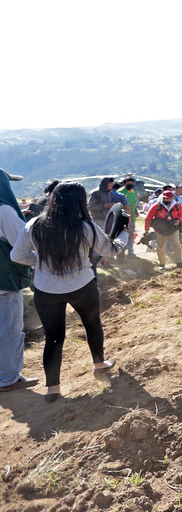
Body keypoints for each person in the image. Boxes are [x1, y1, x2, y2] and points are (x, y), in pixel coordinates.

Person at [11, 182, 125, 402]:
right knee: (92, 324)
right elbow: (111, 250)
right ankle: (99, 364)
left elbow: (17, 256)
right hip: (82, 286)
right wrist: (124, 235)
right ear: (80, 202)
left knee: (53, 337)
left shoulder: (35, 224)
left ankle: (53, 389)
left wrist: (40, 261)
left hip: (46, 290)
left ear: (54, 199)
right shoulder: (86, 226)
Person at [0, 169, 38, 393]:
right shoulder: (4, 210)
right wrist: (38, 262)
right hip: (4, 282)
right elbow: (21, 245)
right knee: (10, 330)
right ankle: (8, 377)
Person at [144, 190, 182, 270]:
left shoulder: (177, 206)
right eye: (164, 198)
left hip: (173, 229)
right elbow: (148, 218)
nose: (166, 200)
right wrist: (146, 230)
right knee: (161, 246)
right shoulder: (156, 205)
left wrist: (179, 220)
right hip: (160, 230)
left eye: (168, 198)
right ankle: (161, 264)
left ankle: (179, 262)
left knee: (176, 244)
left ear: (172, 198)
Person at [118, 178, 139, 257]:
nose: (131, 184)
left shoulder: (133, 192)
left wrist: (136, 211)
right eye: (129, 182)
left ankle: (130, 252)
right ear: (124, 183)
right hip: (123, 218)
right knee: (122, 235)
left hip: (132, 218)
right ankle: (121, 252)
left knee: (131, 235)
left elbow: (134, 203)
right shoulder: (121, 192)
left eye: (132, 182)